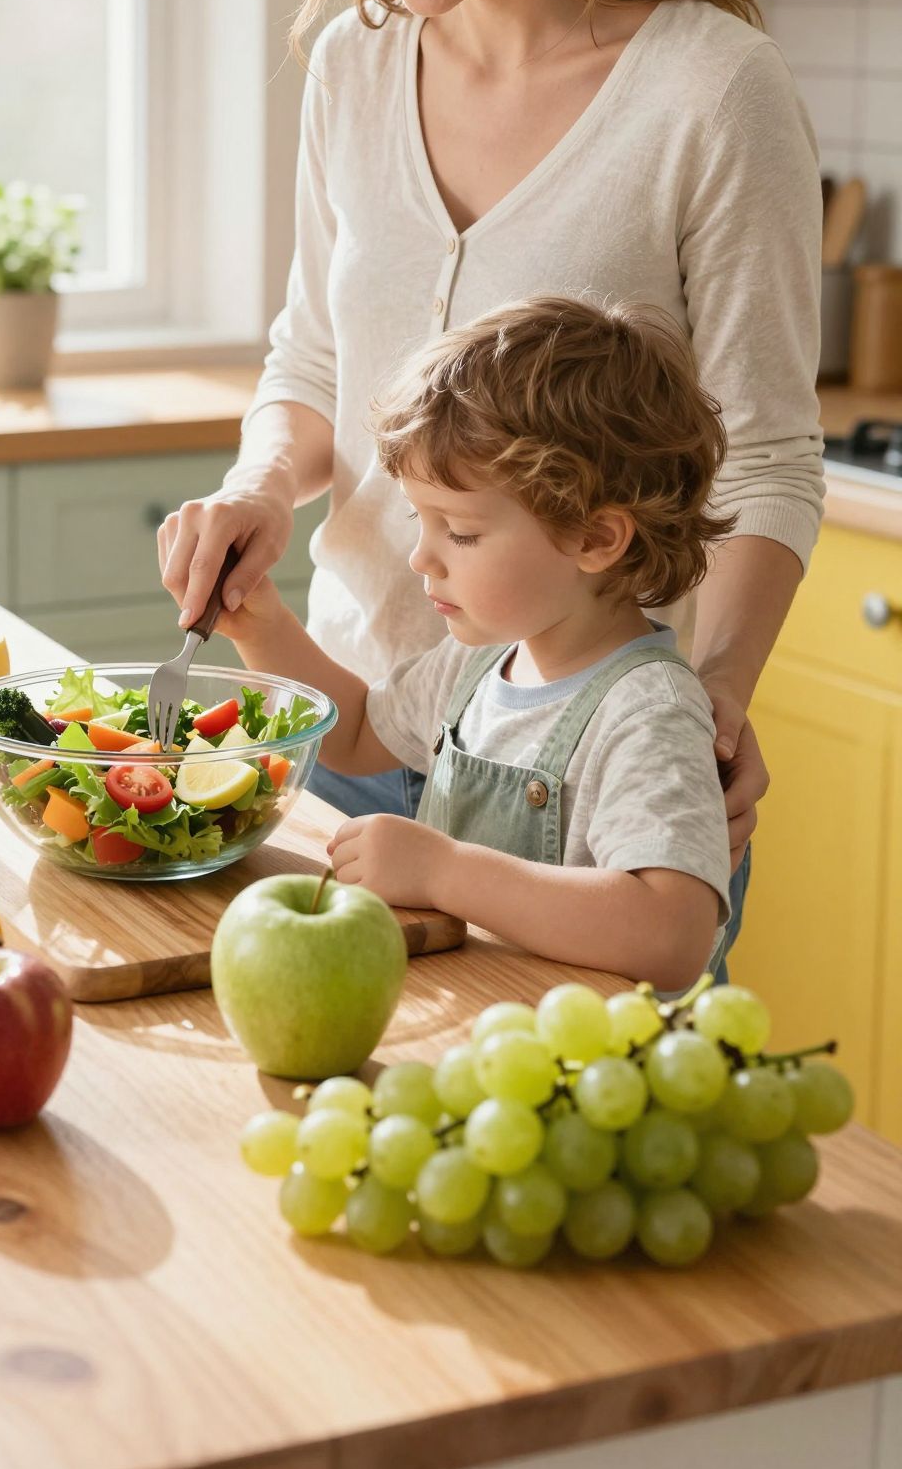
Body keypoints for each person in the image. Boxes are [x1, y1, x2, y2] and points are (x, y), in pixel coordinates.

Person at [157, 0, 824, 948]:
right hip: (356, 726)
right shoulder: (353, 68)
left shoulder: (705, 90)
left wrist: (710, 701)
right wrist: (250, 494)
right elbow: (310, 368)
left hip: (592, 774)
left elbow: (767, 451)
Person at [212, 298, 733, 990]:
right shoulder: (482, 659)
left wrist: (447, 873)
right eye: (418, 520)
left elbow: (673, 933)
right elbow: (358, 731)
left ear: (596, 538)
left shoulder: (648, 711)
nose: (421, 558)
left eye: (459, 531)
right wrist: (264, 626)